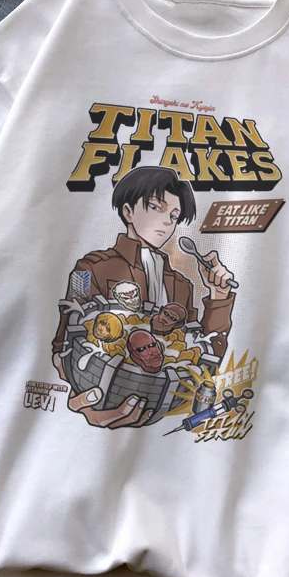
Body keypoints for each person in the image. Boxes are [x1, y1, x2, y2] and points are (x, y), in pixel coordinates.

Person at [53, 166, 236, 428]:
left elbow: (205, 352)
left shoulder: (182, 286)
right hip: (101, 386)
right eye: (155, 207)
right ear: (127, 211)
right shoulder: (91, 266)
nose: (167, 222)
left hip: (161, 401)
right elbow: (65, 341)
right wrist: (77, 393)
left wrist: (218, 297)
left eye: (174, 216)